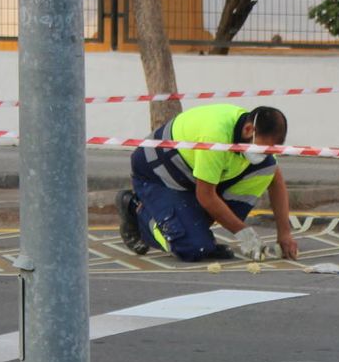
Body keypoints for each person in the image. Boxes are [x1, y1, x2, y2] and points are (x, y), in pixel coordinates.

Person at [116, 103, 300, 262]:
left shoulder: (254, 136)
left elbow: (275, 180)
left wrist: (284, 233)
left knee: (266, 168)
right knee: (191, 248)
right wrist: (245, 234)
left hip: (191, 177)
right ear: (248, 130)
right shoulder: (216, 137)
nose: (263, 155)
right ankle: (135, 208)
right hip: (158, 174)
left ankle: (195, 230)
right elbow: (205, 195)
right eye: (262, 149)